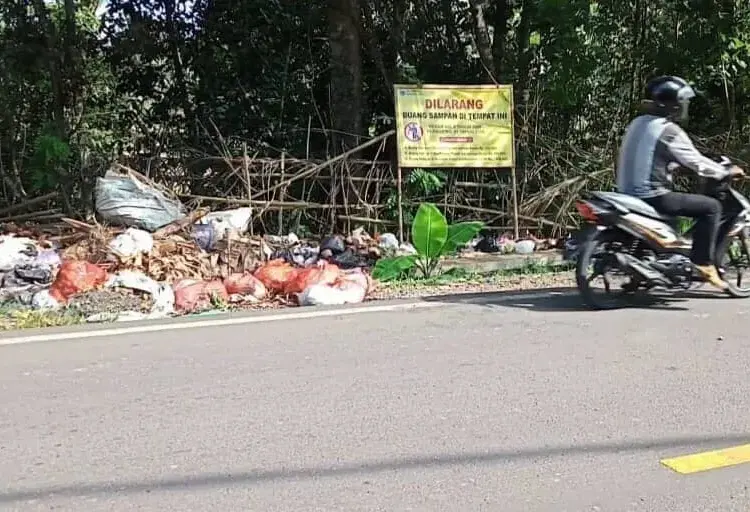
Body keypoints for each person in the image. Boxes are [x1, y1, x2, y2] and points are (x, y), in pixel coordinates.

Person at [616, 75, 745, 290]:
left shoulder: (637, 123)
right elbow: (696, 162)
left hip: (626, 194)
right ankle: (703, 263)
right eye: (683, 102)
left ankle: (649, 271)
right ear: (673, 105)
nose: (685, 107)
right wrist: (725, 172)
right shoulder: (669, 130)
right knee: (712, 207)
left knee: (674, 222)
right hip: (652, 195)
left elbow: (653, 157)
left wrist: (677, 167)